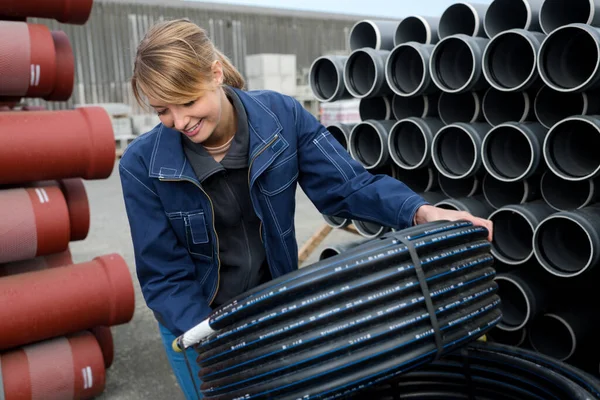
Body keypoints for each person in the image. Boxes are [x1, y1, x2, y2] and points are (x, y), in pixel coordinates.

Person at [119, 18, 494, 400]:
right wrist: (213, 339)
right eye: (162, 110)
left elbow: (349, 187)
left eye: (188, 101)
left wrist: (421, 212)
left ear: (215, 73)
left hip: (272, 309)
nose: (179, 121)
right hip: (199, 328)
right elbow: (164, 275)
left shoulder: (281, 117)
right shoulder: (141, 165)